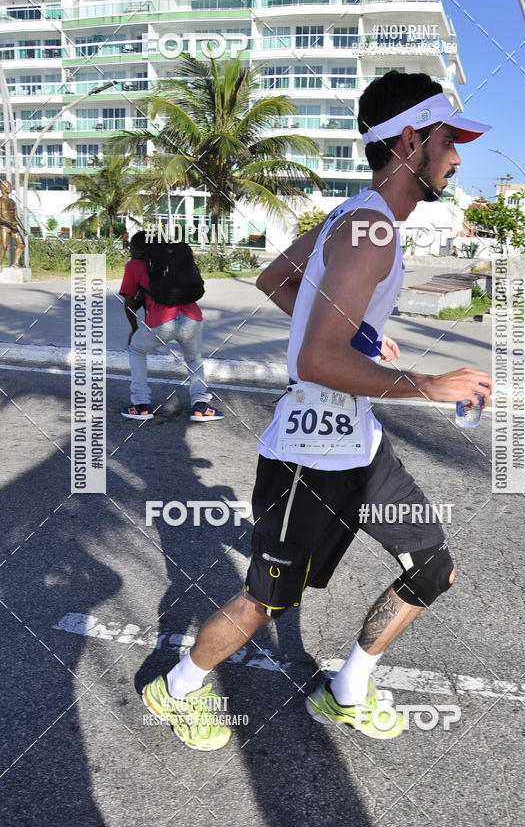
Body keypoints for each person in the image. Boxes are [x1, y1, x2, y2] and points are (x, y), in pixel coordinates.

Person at [141, 71, 492, 750]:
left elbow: (278, 281)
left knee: (432, 565)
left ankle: (346, 691)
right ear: (411, 140)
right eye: (450, 140)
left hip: (357, 446)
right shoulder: (372, 230)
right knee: (266, 601)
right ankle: (176, 686)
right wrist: (428, 383)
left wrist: (352, 336)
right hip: (307, 457)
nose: (457, 156)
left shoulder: (354, 215)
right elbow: (313, 360)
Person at [119, 231, 223, 422]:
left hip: (161, 322)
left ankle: (141, 405)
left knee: (136, 349)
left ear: (139, 248)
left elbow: (129, 302)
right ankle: (200, 405)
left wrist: (134, 329)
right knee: (193, 359)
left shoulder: (134, 265)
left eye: (132, 247)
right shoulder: (176, 259)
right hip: (192, 318)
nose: (130, 251)